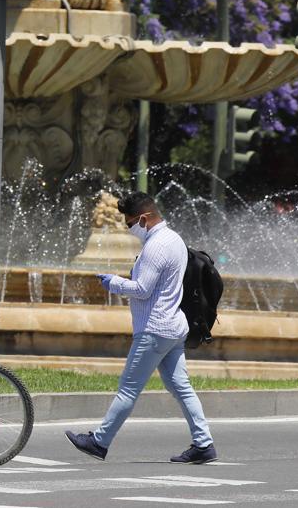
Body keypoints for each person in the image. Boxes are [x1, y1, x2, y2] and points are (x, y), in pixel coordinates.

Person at [65, 191, 216, 464]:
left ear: (145, 219)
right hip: (173, 327)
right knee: (182, 387)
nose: (129, 228)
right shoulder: (175, 240)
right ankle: (204, 444)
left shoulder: (156, 246)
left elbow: (143, 289)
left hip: (154, 329)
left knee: (128, 389)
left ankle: (99, 442)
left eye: (131, 223)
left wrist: (113, 282)